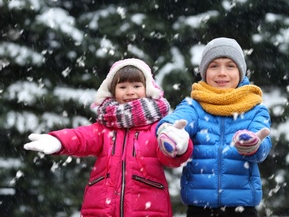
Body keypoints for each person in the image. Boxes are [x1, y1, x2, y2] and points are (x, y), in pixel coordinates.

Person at [24, 58, 193, 217]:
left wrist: (179, 147)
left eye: (136, 85)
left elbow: (169, 157)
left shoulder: (157, 127)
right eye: (123, 87)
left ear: (147, 88)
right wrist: (59, 140)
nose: (130, 92)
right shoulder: (105, 127)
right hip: (102, 207)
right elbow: (82, 137)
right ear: (112, 91)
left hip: (147, 207)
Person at [156, 37, 272, 217]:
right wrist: (170, 131)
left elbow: (262, 148)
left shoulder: (255, 109)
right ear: (204, 71)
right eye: (214, 66)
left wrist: (254, 145)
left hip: (242, 208)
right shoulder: (194, 106)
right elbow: (176, 120)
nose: (222, 73)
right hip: (200, 208)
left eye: (230, 66)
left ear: (241, 71)